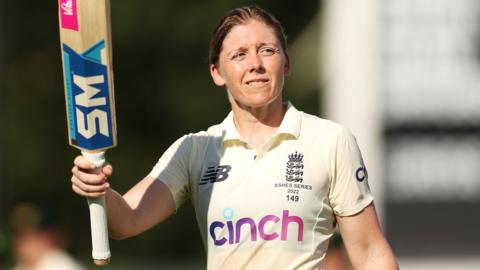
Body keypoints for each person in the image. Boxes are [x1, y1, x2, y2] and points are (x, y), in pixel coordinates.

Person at [71, 5, 398, 269]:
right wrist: (98, 188)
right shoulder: (195, 149)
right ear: (217, 72)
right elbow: (126, 220)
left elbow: (370, 254)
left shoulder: (330, 141)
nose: (255, 64)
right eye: (240, 55)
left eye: (267, 50)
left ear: (286, 63)